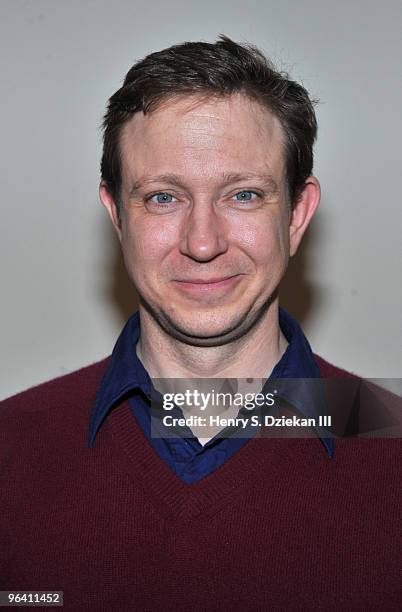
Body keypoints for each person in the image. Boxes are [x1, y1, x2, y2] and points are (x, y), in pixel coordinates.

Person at [0, 36, 400, 611]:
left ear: (297, 216)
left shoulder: (389, 441)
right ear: (117, 215)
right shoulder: (11, 447)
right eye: (163, 197)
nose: (203, 242)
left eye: (244, 194)